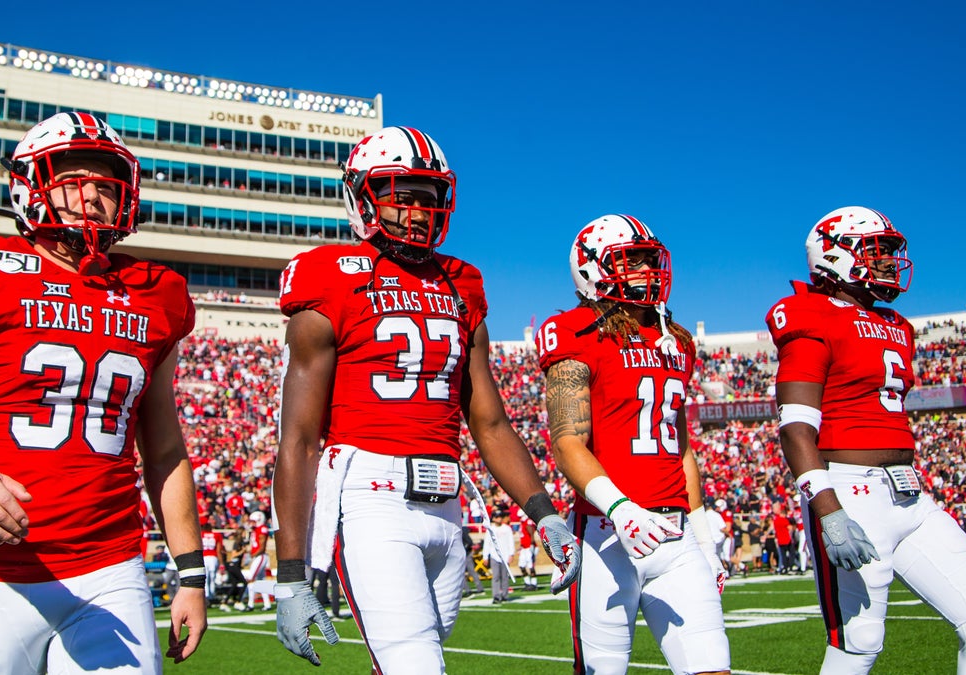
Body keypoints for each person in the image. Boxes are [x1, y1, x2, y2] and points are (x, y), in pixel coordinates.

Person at [0, 112, 207, 673]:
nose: (91, 197)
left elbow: (164, 451)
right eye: (71, 180)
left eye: (105, 185)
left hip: (111, 570)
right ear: (30, 186)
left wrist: (191, 574)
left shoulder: (159, 294)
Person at [273, 126, 581, 672]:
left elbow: (490, 423)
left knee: (413, 660)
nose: (416, 211)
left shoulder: (463, 283)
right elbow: (297, 439)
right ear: (363, 195)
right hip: (372, 497)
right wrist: (291, 574)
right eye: (400, 194)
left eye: (428, 197)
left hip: (447, 504)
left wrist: (545, 514)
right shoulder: (330, 275)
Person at [766, 206, 966, 674]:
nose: (886, 261)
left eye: (888, 251)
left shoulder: (897, 326)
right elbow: (795, 426)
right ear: (835, 256)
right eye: (874, 250)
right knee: (859, 643)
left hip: (910, 494)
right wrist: (828, 509)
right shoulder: (809, 313)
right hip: (850, 491)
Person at [537, 214, 730, 675]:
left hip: (677, 534)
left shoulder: (675, 343)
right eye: (631, 262)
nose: (647, 271)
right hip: (607, 534)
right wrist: (621, 509)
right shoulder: (575, 331)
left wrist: (704, 540)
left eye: (649, 260)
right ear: (593, 270)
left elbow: (680, 446)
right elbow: (567, 441)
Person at [485, 511, 516, 604]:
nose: (499, 518)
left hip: (505, 555)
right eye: (497, 517)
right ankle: (496, 596)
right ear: (493, 518)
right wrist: (485, 556)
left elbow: (511, 542)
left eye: (500, 517)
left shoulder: (507, 529)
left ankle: (505, 595)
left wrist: (511, 554)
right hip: (494, 555)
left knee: (504, 577)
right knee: (496, 577)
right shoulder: (490, 529)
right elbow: (487, 543)